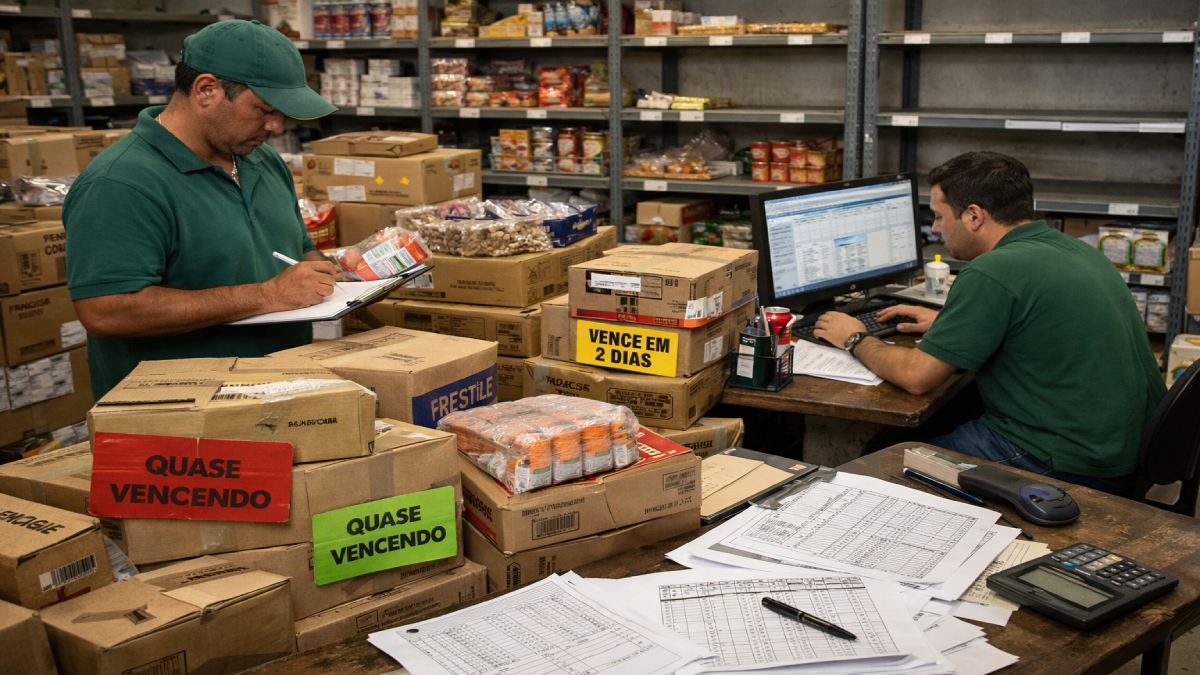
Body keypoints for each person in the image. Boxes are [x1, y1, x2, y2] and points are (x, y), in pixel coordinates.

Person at [814, 152, 1166, 495]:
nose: (935, 229)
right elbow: (1038, 323)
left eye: (939, 216)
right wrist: (951, 324)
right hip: (1129, 451)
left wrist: (855, 337)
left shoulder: (992, 270)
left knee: (874, 469)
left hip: (1066, 461)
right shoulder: (1074, 249)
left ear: (973, 216)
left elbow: (916, 377)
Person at [64, 20, 339, 399]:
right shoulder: (121, 183)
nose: (276, 125)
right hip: (174, 426)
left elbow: (297, 250)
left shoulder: (262, 160)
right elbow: (105, 311)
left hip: (281, 394)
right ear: (206, 90)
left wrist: (336, 272)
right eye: (263, 109)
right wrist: (266, 295)